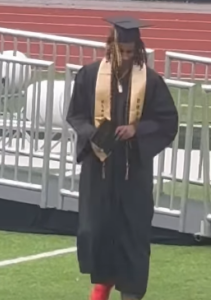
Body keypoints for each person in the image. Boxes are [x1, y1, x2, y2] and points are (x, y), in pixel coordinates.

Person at [66, 16, 178, 300]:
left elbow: (167, 121)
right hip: (99, 169)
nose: (126, 57)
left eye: (131, 51)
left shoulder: (151, 82)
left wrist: (137, 130)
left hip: (132, 172)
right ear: (111, 46)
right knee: (97, 230)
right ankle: (102, 284)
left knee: (133, 233)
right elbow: (75, 114)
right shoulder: (89, 75)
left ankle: (131, 292)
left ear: (138, 50)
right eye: (121, 51)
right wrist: (92, 133)